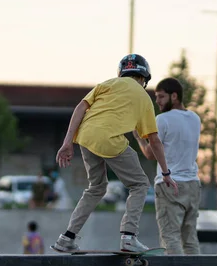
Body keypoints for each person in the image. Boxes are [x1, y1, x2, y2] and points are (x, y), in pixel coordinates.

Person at [53, 54, 178, 253]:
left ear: (122, 73)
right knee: (139, 184)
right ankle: (129, 237)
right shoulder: (144, 98)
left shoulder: (107, 84)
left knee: (96, 187)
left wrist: (67, 142)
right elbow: (154, 140)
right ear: (143, 77)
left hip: (85, 136)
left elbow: (80, 108)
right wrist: (165, 173)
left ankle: (66, 237)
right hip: (110, 140)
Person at [133, 77, 203, 266]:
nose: (158, 102)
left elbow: (150, 153)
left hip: (169, 184)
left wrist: (138, 137)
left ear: (175, 96)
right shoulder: (195, 118)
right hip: (193, 184)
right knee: (189, 237)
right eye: (156, 97)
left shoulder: (161, 120)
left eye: (161, 97)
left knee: (170, 235)